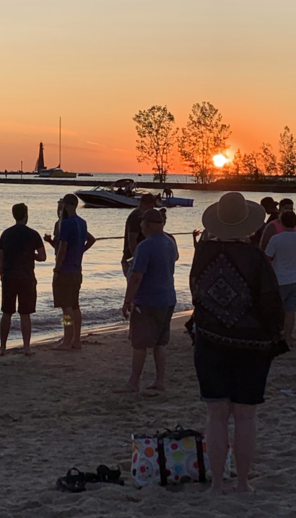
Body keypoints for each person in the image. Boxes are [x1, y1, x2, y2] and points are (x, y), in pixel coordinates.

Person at [190, 192, 283, 495]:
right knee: (245, 416)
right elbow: (271, 302)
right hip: (252, 345)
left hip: (210, 341)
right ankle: (243, 482)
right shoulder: (255, 257)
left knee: (216, 415)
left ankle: (217, 483)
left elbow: (196, 292)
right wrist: (273, 335)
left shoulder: (201, 252)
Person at [116, 209, 177, 393]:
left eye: (142, 223)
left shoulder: (145, 246)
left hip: (148, 301)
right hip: (167, 298)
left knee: (140, 343)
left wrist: (127, 301)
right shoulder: (170, 242)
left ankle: (134, 382)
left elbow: (136, 277)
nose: (141, 226)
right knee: (160, 343)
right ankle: (160, 381)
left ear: (148, 224)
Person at [0, 204, 46, 356]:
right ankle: (26, 347)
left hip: (9, 276)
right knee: (25, 313)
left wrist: (1, 276)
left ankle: (3, 347)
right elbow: (43, 257)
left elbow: (1, 259)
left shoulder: (5, 234)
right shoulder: (33, 234)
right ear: (26, 214)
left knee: (7, 312)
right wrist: (32, 256)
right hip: (26, 277)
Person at [52, 195, 95, 350]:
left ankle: (67, 339)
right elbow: (91, 239)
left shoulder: (67, 224)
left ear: (67, 205)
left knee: (66, 307)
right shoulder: (82, 223)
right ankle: (76, 339)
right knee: (75, 305)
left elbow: (62, 249)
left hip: (65, 270)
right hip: (77, 269)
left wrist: (57, 268)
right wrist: (79, 251)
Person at [266, 211, 296, 346]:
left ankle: (277, 335)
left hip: (279, 279)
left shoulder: (276, 239)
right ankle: (288, 337)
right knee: (290, 311)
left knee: (276, 311)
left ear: (281, 222)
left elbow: (267, 257)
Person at [121, 193, 157, 277]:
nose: (153, 208)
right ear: (149, 204)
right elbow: (132, 239)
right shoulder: (136, 217)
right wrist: (137, 259)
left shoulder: (142, 216)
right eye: (152, 205)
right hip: (131, 259)